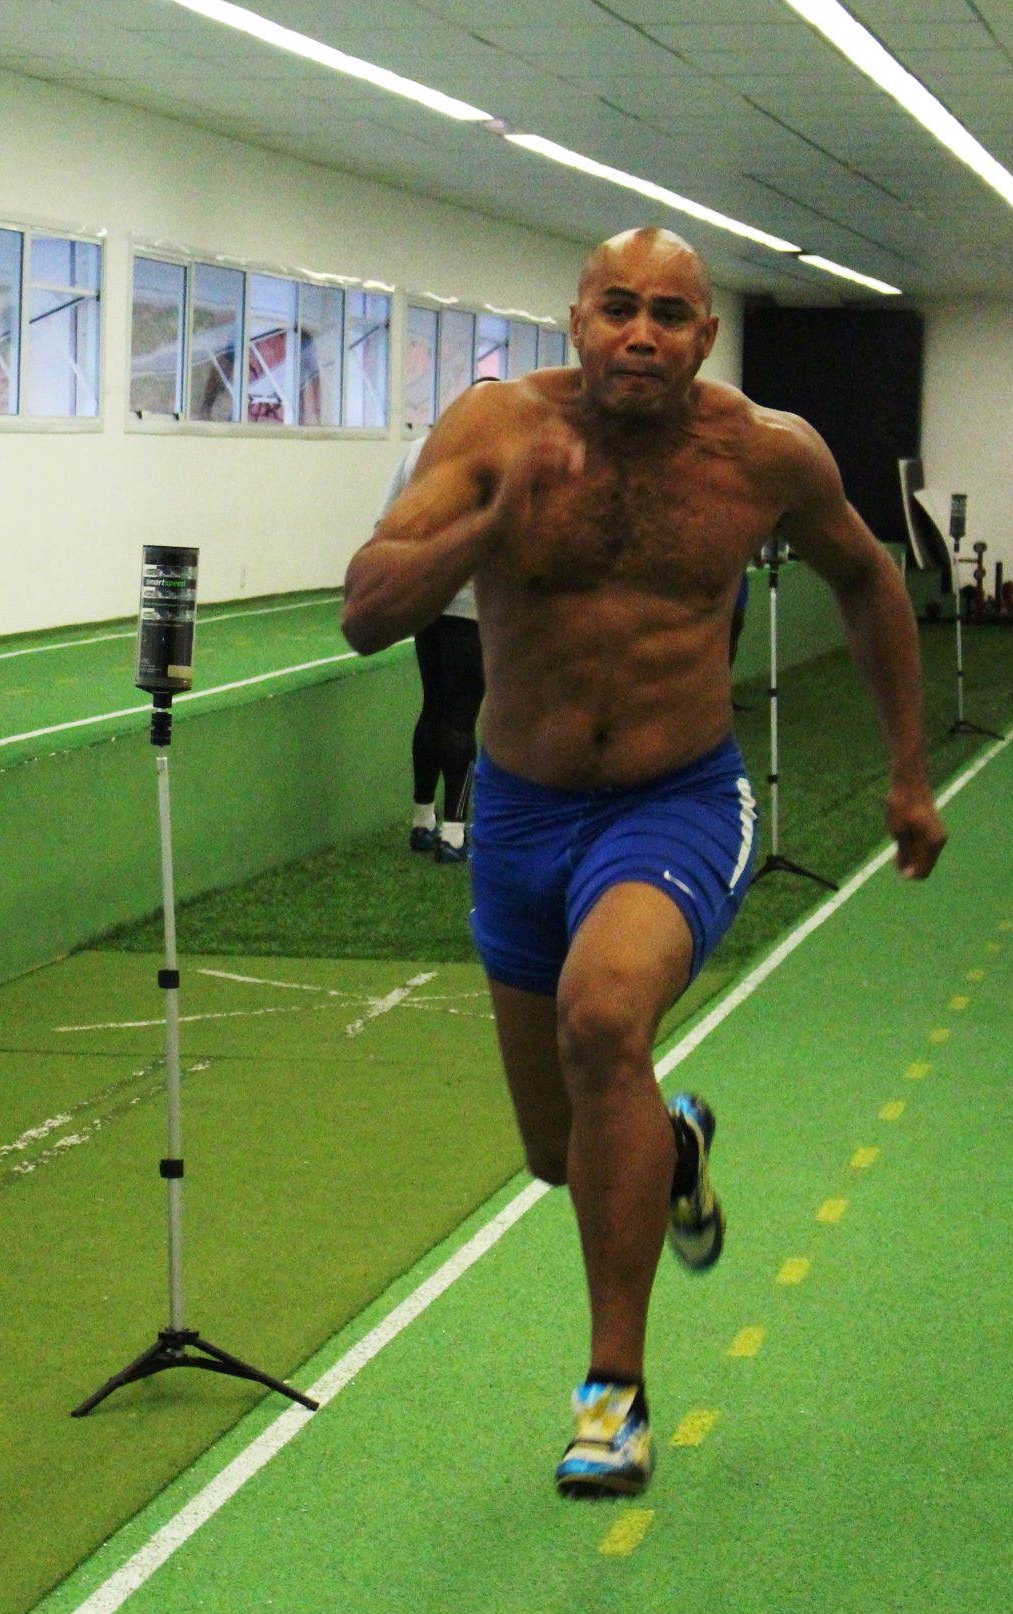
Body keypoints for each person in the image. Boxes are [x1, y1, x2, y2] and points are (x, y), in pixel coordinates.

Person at [341, 229, 944, 1498]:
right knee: (560, 1156)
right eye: (618, 308)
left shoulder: (764, 455)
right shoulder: (495, 430)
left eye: (670, 315)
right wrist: (493, 522)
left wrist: (904, 772)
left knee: (602, 1015)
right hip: (518, 815)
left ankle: (612, 1394)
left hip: (676, 799)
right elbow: (367, 609)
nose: (641, 334)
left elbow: (868, 579)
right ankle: (665, 1151)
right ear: (573, 317)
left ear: (704, 337)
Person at [382, 423, 484, 865]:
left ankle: (423, 819)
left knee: (434, 707)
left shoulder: (419, 451)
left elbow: (388, 521)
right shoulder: (502, 451)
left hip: (429, 601)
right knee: (461, 719)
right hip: (472, 605)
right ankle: (456, 833)